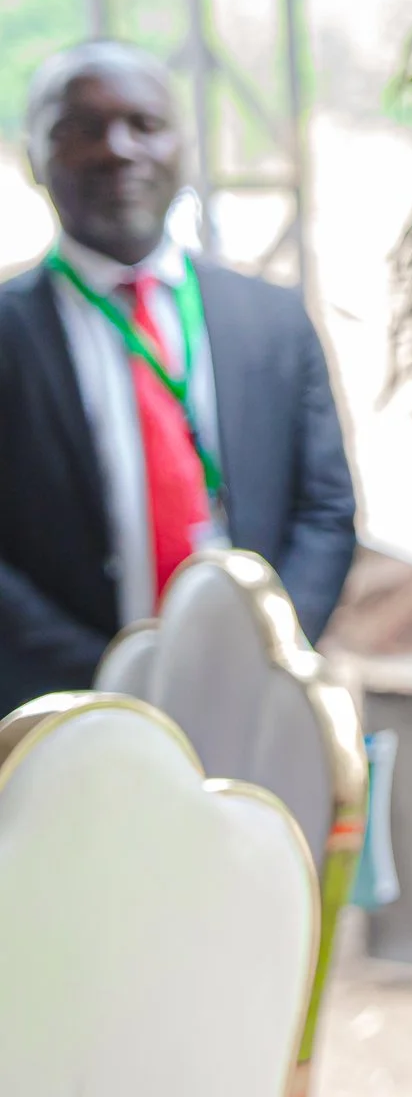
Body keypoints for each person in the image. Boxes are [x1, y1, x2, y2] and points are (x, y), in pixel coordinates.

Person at [0, 41, 357, 715]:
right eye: (82, 129)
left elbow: (326, 512)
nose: (118, 150)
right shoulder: (8, 333)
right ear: (34, 158)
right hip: (65, 715)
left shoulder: (271, 319)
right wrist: (117, 683)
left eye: (144, 124)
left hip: (256, 708)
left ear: (182, 147)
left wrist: (270, 655)